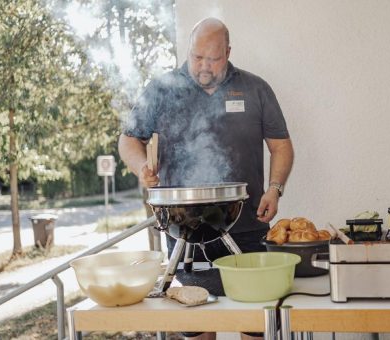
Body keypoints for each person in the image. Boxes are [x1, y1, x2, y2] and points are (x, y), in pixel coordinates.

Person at [118, 17, 294, 340]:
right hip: (184, 229)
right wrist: (142, 165)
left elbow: (281, 146)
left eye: (212, 59)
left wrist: (275, 188)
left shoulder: (255, 89)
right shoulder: (162, 89)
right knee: (197, 329)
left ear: (227, 53)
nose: (203, 67)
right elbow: (128, 140)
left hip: (247, 226)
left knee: (254, 325)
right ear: (189, 50)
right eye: (197, 57)